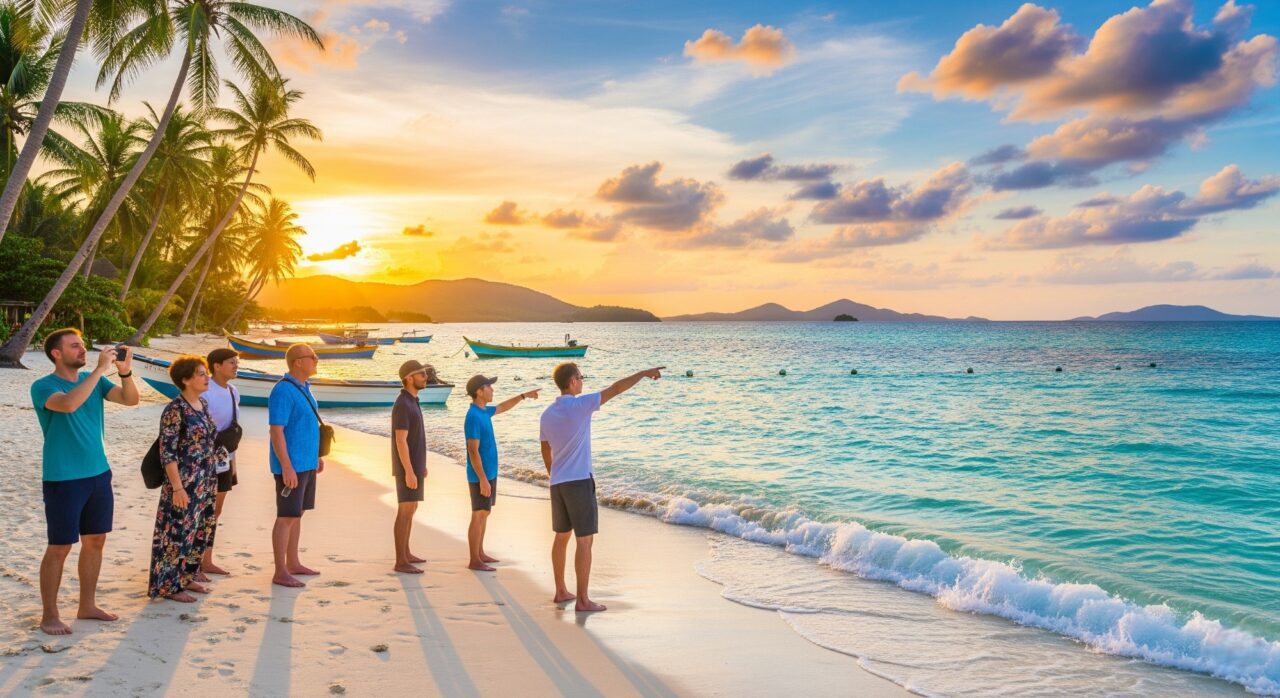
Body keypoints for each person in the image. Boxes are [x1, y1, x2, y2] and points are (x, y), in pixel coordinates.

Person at [30, 328, 139, 635]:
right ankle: (49, 615)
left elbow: (130, 400)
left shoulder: (96, 381)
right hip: (63, 477)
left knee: (96, 540)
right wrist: (100, 370)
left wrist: (125, 373)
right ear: (56, 353)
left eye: (82, 345)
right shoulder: (44, 386)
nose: (82, 350)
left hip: (98, 473)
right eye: (74, 346)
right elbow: (68, 404)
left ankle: (87, 605)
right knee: (60, 546)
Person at [540, 363, 663, 612]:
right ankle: (583, 600)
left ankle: (561, 591)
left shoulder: (547, 414)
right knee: (584, 541)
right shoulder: (581, 405)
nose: (582, 381)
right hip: (579, 482)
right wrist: (642, 373)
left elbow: (545, 448)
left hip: (558, 483)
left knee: (561, 537)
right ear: (572, 382)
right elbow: (616, 389)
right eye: (580, 377)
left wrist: (554, 474)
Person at [148, 356, 220, 602]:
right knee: (176, 532)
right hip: (184, 481)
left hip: (206, 478)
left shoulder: (203, 404)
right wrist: (177, 488)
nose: (207, 377)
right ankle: (169, 586)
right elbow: (167, 452)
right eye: (201, 373)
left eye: (206, 372)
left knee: (199, 529)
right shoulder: (175, 409)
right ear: (186, 380)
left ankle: (187, 576)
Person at [463, 374, 538, 571]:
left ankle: (480, 553)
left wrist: (523, 396)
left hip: (489, 473)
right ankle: (474, 560)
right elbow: (473, 450)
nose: (492, 390)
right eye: (489, 387)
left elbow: (503, 407)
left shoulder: (483, 411)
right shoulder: (473, 416)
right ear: (479, 391)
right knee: (478, 514)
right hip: (480, 476)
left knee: (485, 512)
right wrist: (482, 479)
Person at [267, 344, 324, 588]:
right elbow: (276, 431)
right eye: (313, 357)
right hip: (291, 466)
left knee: (297, 514)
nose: (317, 360)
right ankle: (280, 571)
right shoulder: (283, 390)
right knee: (286, 516)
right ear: (298, 362)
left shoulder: (304, 387)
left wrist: (316, 456)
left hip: (306, 462)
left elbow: (306, 425)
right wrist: (287, 466)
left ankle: (293, 563)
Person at [200, 348, 240, 576]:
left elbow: (232, 431)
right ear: (216, 366)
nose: (236, 366)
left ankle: (206, 560)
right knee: (201, 511)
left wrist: (234, 461)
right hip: (203, 460)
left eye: (236, 362)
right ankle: (192, 563)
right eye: (231, 362)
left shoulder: (234, 391)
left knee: (216, 511)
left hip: (224, 460)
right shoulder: (205, 391)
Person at [391, 360, 430, 574]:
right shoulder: (403, 403)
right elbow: (400, 440)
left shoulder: (413, 401)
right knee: (405, 510)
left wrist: (421, 465)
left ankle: (406, 553)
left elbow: (416, 437)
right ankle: (400, 561)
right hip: (407, 468)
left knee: (411, 508)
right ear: (409, 378)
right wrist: (408, 470)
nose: (426, 377)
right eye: (421, 374)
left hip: (414, 466)